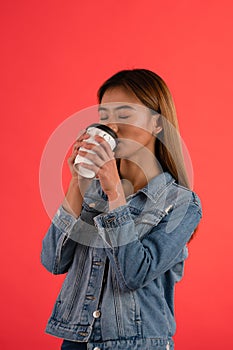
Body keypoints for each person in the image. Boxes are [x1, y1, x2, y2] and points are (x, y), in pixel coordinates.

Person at [41, 69, 202, 350]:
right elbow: (52, 261)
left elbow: (134, 273)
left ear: (157, 124)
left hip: (138, 343)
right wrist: (78, 184)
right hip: (77, 341)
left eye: (124, 115)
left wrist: (116, 194)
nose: (111, 126)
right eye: (104, 117)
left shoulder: (181, 204)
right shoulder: (92, 191)